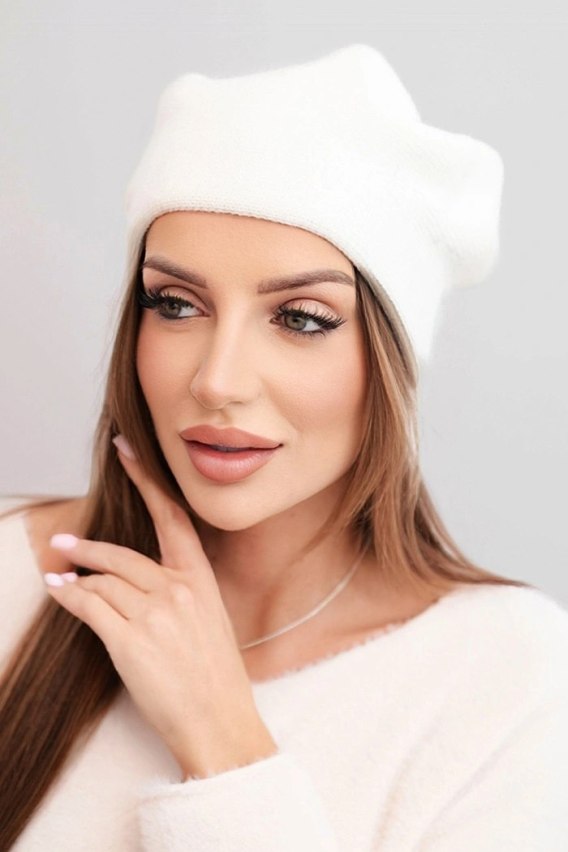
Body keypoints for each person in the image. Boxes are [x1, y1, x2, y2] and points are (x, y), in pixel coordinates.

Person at [0, 43, 567, 851]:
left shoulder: (507, 680)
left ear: (392, 361)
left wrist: (221, 738)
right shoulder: (16, 572)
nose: (217, 380)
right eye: (176, 304)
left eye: (301, 318)